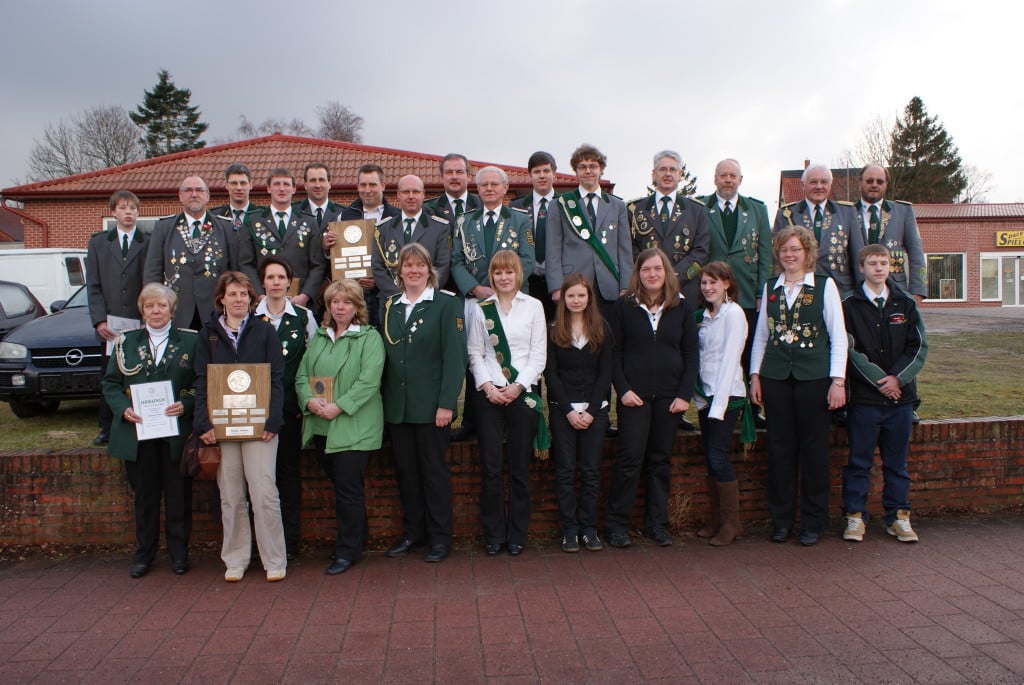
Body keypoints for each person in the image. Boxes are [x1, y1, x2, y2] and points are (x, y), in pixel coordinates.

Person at [750, 227, 848, 546]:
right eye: (783, 250)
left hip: (814, 378)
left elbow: (838, 337)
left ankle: (813, 521)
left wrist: (838, 381)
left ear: (807, 252)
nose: (789, 255)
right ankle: (781, 521)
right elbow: (761, 337)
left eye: (795, 249)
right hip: (777, 378)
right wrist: (755, 376)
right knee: (779, 450)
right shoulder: (771, 287)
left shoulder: (824, 286)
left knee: (814, 451)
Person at [194, 272, 287, 582]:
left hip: (260, 426)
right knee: (231, 495)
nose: (238, 300)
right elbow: (201, 381)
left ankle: (274, 559)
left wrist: (274, 419)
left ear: (251, 299)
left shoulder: (265, 332)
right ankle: (235, 558)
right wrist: (203, 423)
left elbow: (276, 378)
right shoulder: (207, 335)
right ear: (222, 298)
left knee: (264, 493)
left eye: (243, 295)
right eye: (232, 294)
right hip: (223, 427)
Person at [102, 283, 197, 577]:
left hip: (174, 433)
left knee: (178, 496)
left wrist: (185, 403)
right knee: (144, 497)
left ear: (172, 310)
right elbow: (111, 384)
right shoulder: (125, 343)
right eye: (149, 306)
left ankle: (179, 554)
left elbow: (201, 384)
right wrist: (123, 409)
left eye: (162, 306)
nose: (156, 311)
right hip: (138, 433)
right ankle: (145, 554)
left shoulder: (191, 342)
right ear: (142, 311)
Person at [606, 248, 698, 548]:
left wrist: (684, 395)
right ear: (638, 273)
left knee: (660, 461)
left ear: (666, 271)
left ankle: (657, 524)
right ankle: (617, 525)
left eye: (658, 268)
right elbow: (614, 353)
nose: (652, 274)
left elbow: (690, 353)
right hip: (635, 396)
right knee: (629, 459)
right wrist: (624, 389)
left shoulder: (682, 306)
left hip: (670, 398)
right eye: (646, 269)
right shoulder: (624, 306)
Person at [381, 243, 467, 563]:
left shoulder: (446, 304)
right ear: (400, 271)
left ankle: (441, 538)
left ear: (429, 270)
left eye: (419, 265)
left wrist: (447, 403)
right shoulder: (389, 305)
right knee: (407, 474)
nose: (413, 270)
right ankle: (414, 534)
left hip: (433, 408)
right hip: (399, 407)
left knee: (434, 474)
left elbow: (454, 358)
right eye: (407, 265)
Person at [296, 279, 385, 574]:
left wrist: (339, 406)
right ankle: (359, 537)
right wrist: (309, 401)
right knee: (345, 487)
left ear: (357, 306)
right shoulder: (320, 337)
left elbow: (369, 381)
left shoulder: (369, 338)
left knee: (347, 490)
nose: (340, 307)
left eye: (346, 302)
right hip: (322, 426)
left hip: (353, 426)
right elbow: (301, 377)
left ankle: (347, 551)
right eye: (335, 301)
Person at [842, 244, 927, 543]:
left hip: (900, 400)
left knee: (896, 463)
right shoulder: (849, 305)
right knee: (859, 461)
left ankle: (899, 516)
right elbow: (850, 350)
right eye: (872, 263)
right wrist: (882, 381)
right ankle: (854, 517)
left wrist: (897, 380)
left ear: (891, 267)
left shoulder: (905, 303)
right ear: (861, 267)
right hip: (865, 400)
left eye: (884, 263)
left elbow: (917, 347)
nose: (879, 268)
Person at [467, 250, 547, 556]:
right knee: (489, 468)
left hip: (523, 392)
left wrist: (517, 386)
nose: (504, 277)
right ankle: (494, 534)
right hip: (489, 395)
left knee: (519, 468)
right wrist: (488, 387)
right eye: (498, 272)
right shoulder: (480, 309)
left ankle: (517, 534)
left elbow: (538, 353)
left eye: (509, 272)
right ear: (492, 276)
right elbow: (475, 353)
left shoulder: (534, 307)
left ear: (518, 275)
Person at [700, 158, 772, 427]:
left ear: (740, 180)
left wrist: (761, 291)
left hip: (747, 292)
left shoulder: (756, 209)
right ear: (715, 179)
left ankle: (751, 410)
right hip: (711, 294)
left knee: (749, 351)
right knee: (712, 351)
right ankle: (709, 402)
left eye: (733, 175)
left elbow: (765, 254)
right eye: (723, 175)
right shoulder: (701, 207)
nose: (728, 179)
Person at [254, 256, 317, 559]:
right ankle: (260, 545)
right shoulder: (251, 318)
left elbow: (315, 359)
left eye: (282, 277)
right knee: (258, 479)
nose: (276, 282)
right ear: (263, 283)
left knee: (287, 476)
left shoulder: (304, 316)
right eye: (270, 277)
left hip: (290, 408)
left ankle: (289, 543)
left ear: (289, 282)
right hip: (255, 409)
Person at [545, 273, 612, 553]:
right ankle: (569, 530)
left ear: (589, 298)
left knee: (591, 471)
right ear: (563, 298)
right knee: (564, 472)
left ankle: (588, 529)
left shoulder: (602, 328)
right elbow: (551, 375)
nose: (575, 300)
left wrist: (592, 410)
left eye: (581, 295)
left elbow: (605, 373)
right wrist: (570, 411)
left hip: (594, 412)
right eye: (571, 295)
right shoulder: (553, 329)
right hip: (564, 411)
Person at [693, 262, 754, 547]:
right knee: (710, 457)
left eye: (713, 282)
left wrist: (718, 405)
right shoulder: (704, 316)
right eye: (704, 282)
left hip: (727, 397)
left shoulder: (734, 314)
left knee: (718, 456)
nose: (707, 287)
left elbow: (731, 359)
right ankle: (717, 519)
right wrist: (701, 400)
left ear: (727, 283)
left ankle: (732, 523)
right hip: (706, 397)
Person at [87, 190, 150, 446]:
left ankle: (142, 421)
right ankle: (107, 427)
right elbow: (94, 286)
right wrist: (99, 320)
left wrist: (148, 316)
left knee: (139, 374)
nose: (128, 212)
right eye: (123, 208)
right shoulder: (98, 243)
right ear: (113, 211)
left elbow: (151, 281)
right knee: (110, 377)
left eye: (133, 208)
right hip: (110, 326)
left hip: (140, 321)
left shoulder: (148, 241)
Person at [545, 144, 633, 321]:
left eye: (593, 166)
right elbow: (552, 249)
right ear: (575, 171)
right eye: (582, 167)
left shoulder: (618, 206)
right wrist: (556, 286)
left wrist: (626, 285)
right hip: (572, 286)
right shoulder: (560, 205)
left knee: (609, 337)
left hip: (609, 284)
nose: (588, 171)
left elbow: (624, 250)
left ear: (601, 170)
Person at [144, 174, 238, 330]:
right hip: (176, 312)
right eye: (188, 190)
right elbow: (152, 271)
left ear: (207, 196)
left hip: (216, 311)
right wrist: (154, 307)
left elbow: (235, 271)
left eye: (199, 190)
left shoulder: (225, 228)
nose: (194, 194)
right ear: (180, 196)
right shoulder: (164, 227)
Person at [627, 150, 709, 303]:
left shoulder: (696, 210)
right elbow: (630, 247)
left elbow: (701, 251)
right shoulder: (635, 209)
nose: (667, 174)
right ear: (654, 174)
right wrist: (652, 273)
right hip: (645, 289)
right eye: (662, 169)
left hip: (683, 288)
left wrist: (672, 275)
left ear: (680, 174)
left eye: (672, 170)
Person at [239, 168, 326, 310]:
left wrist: (306, 295)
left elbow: (318, 264)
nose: (281, 189)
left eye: (286, 184)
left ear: (293, 189)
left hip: (300, 300)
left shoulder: (309, 221)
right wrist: (259, 295)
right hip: (263, 300)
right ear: (268, 188)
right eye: (277, 184)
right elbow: (246, 263)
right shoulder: (252, 221)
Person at [773, 163, 859, 294]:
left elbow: (857, 255)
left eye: (824, 182)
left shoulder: (847, 212)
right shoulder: (786, 214)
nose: (819, 187)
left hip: (840, 289)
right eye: (813, 182)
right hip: (799, 288)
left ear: (830, 185)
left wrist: (861, 291)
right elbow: (777, 258)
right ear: (803, 185)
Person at [371, 175, 451, 309]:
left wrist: (422, 294)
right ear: (398, 195)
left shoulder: (440, 228)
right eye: (405, 192)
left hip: (427, 302)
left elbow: (443, 265)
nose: (411, 196)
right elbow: (377, 267)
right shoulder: (383, 228)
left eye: (416, 192)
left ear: (423, 195)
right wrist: (399, 295)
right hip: (391, 301)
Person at [336, 164, 402, 328]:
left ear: (383, 186)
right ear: (357, 186)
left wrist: (379, 279)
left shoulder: (398, 216)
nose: (367, 190)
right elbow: (336, 256)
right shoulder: (343, 217)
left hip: (389, 292)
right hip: (354, 295)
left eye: (372, 184)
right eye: (363, 185)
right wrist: (328, 247)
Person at [854, 164, 927, 301]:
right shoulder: (847, 212)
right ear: (860, 183)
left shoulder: (903, 211)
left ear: (886, 184)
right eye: (869, 181)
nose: (874, 185)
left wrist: (917, 291)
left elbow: (916, 252)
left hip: (896, 290)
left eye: (880, 181)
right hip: (857, 293)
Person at [510, 151, 558, 320]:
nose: (542, 176)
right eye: (537, 172)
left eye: (546, 171)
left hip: (558, 281)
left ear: (554, 173)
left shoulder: (566, 204)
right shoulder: (516, 206)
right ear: (530, 175)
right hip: (527, 279)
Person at [210, 163, 265, 231]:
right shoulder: (215, 216)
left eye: (243, 183)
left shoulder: (263, 215)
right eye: (234, 183)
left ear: (250, 185)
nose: (239, 188)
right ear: (226, 186)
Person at [296, 162, 346, 229]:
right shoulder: (294, 211)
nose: (318, 185)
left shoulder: (343, 213)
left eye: (322, 180)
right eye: (313, 180)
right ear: (305, 185)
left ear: (329, 184)